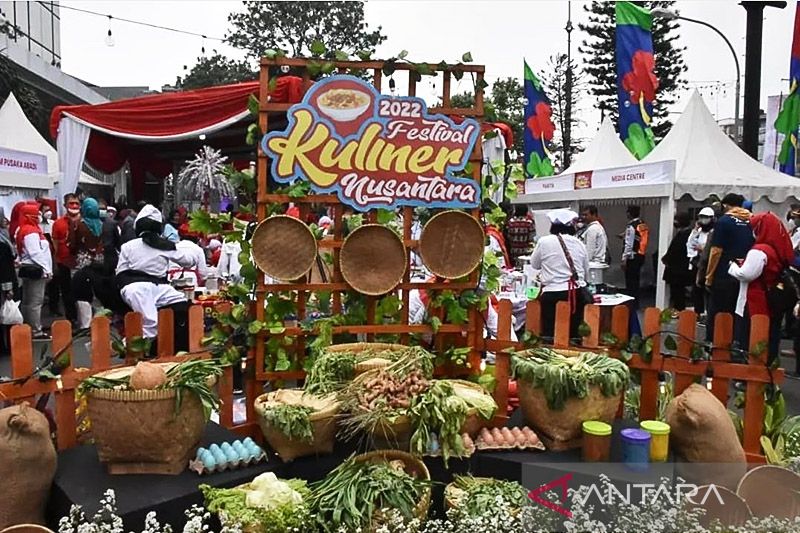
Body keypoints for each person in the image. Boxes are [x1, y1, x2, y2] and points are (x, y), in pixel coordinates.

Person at [116, 205, 196, 346]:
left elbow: (120, 272)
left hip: (155, 287)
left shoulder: (128, 246)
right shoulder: (165, 245)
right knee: (151, 324)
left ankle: (167, 345)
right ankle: (128, 348)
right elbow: (189, 261)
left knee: (180, 302)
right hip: (138, 287)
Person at [728, 212, 794, 363]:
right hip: (772, 298)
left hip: (755, 300)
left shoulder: (759, 250)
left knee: (749, 339)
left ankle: (747, 377)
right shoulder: (778, 249)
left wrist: (732, 267)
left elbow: (746, 274)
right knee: (769, 338)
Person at [530, 209, 589, 339]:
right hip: (574, 294)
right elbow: (585, 272)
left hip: (551, 293)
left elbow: (534, 264)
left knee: (550, 334)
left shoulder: (544, 241)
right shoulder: (579, 243)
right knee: (573, 335)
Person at [705, 193, 754, 347]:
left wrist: (709, 276)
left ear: (725, 205)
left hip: (724, 272)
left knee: (718, 310)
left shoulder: (723, 221)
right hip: (747, 272)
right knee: (738, 310)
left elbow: (716, 251)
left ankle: (716, 342)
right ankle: (736, 343)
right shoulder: (752, 220)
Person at [16, 203, 53, 339]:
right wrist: (47, 268)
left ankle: (29, 326)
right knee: (35, 301)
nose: (39, 215)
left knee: (28, 300)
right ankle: (35, 330)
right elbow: (35, 253)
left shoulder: (25, 229)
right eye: (36, 213)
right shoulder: (30, 232)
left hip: (29, 267)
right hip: (35, 268)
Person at [69, 198, 106, 329]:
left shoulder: (79, 224)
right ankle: (101, 320)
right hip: (99, 260)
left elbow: (72, 243)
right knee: (98, 290)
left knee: (81, 291)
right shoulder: (102, 225)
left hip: (82, 260)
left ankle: (85, 323)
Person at [50, 193, 81, 323]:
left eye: (77, 203)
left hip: (81, 262)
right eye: (71, 203)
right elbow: (55, 244)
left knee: (81, 290)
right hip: (64, 262)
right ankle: (72, 317)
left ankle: (84, 318)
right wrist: (56, 262)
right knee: (67, 291)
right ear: (65, 205)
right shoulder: (58, 223)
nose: (74, 206)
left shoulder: (84, 221)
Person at [662, 212, 693, 312]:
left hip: (679, 269)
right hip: (676, 268)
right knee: (676, 291)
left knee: (678, 291)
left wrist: (667, 258)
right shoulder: (682, 233)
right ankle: (678, 308)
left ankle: (679, 310)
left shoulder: (686, 235)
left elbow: (676, 250)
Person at [687, 207, 715, 317]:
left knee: (708, 290)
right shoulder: (698, 231)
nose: (703, 220)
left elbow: (713, 248)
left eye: (706, 217)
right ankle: (698, 312)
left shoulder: (714, 232)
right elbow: (690, 245)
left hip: (709, 264)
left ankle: (709, 313)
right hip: (697, 263)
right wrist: (694, 230)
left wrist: (703, 248)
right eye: (701, 217)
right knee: (696, 290)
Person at [0, 208, 18, 352]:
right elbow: (4, 268)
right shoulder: (2, 243)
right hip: (3, 284)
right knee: (5, 315)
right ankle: (7, 346)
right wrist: (8, 289)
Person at [621, 205, 648, 302]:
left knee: (630, 282)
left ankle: (631, 302)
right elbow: (640, 238)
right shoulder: (642, 224)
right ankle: (636, 301)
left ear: (629, 213)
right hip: (641, 254)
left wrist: (624, 259)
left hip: (632, 256)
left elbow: (629, 244)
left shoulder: (631, 226)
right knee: (636, 280)